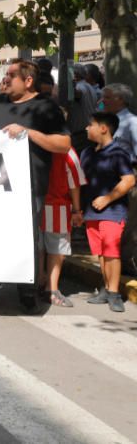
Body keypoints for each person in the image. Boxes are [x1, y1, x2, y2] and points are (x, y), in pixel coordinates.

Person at [0, 59, 70, 313]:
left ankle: (26, 291)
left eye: (11, 75)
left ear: (28, 81)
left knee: (27, 239)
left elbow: (63, 144)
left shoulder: (46, 107)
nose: (5, 78)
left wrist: (28, 132)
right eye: (5, 74)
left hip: (30, 185)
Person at [81, 112, 135, 313]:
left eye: (90, 125)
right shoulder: (87, 152)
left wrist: (107, 198)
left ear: (103, 128)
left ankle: (114, 293)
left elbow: (129, 180)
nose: (87, 128)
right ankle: (105, 289)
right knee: (101, 253)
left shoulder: (118, 152)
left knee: (112, 252)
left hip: (113, 211)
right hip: (91, 212)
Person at [43, 148, 86, 307]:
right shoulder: (67, 151)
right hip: (58, 207)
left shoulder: (32, 142)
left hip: (37, 205)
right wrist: (76, 210)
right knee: (57, 250)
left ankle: (41, 281)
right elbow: (74, 182)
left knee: (40, 247)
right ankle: (52, 289)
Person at [99, 83, 137, 164]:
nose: (102, 100)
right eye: (103, 97)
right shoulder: (106, 121)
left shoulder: (133, 122)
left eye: (107, 97)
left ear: (121, 100)